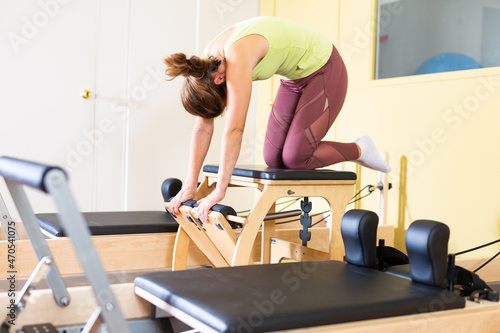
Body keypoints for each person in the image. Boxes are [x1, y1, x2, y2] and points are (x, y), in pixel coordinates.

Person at [166, 16, 391, 222]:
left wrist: (220, 190)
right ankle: (354, 148)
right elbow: (202, 129)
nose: (227, 106)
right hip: (293, 80)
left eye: (222, 105)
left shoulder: (236, 57)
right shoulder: (206, 68)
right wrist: (189, 185)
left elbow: (235, 130)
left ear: (220, 80)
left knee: (295, 158)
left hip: (325, 68)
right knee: (273, 157)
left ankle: (360, 149)